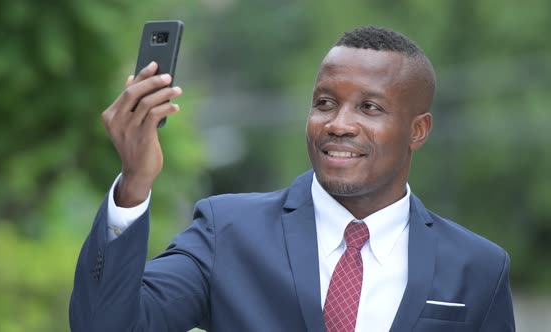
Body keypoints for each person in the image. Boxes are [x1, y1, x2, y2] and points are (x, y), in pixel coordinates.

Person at [70, 26, 515, 332]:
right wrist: (134, 182)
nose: (339, 123)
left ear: (418, 130)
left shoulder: (478, 267)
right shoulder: (226, 231)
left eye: (370, 108)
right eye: (325, 102)